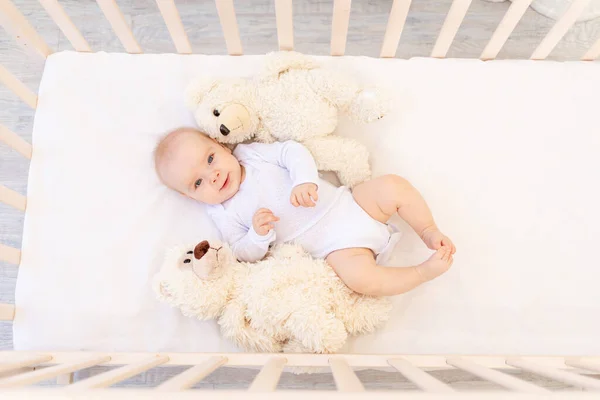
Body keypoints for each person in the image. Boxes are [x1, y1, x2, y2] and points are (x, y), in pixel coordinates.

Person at [154, 127, 456, 297]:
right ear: (189, 196)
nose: (214, 176)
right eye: (197, 182)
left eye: (210, 159)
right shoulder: (223, 211)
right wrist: (258, 237)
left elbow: (292, 151)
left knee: (392, 186)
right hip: (336, 248)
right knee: (363, 281)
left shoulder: (252, 155)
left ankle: (429, 231)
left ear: (221, 146)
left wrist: (304, 180)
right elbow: (240, 251)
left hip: (350, 204)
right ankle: (420, 273)